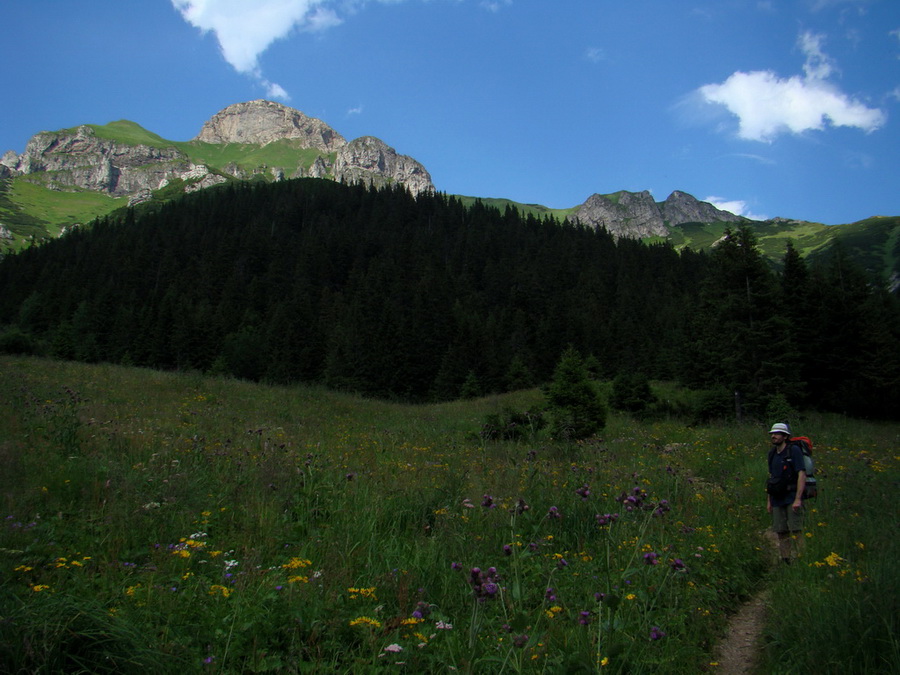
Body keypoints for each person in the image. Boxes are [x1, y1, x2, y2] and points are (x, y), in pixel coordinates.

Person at [765, 422, 806, 564]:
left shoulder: (794, 451)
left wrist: (798, 499)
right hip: (777, 498)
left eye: (777, 433)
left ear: (785, 436)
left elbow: (801, 474)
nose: (773, 436)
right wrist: (769, 501)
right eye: (772, 434)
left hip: (791, 497)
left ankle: (802, 559)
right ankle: (786, 559)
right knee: (781, 531)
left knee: (796, 530)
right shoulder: (772, 454)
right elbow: (771, 479)